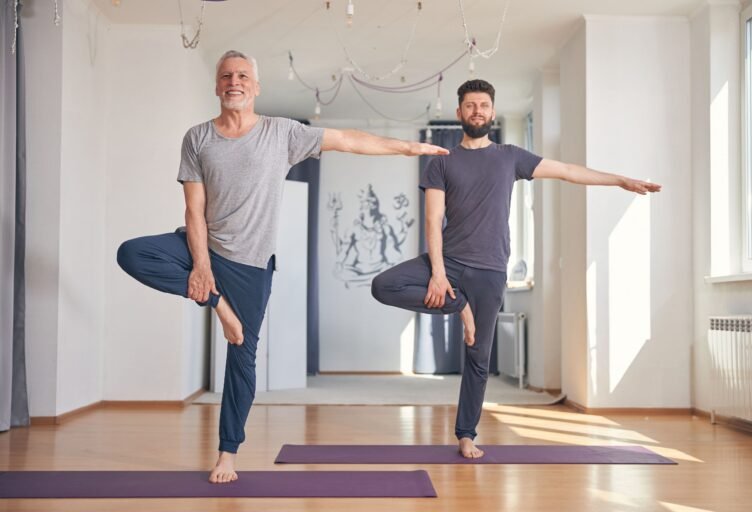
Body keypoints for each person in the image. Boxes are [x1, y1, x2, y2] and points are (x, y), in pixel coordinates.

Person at [116, 50, 448, 484]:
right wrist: (202, 273)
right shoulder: (197, 138)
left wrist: (408, 147)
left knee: (242, 358)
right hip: (203, 246)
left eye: (242, 76)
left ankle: (227, 454)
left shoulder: (281, 133)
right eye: (226, 76)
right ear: (217, 86)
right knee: (132, 253)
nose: (234, 81)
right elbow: (193, 210)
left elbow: (347, 139)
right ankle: (218, 304)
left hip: (251, 265)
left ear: (255, 87)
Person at [371, 79, 661, 459]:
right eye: (470, 105)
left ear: (492, 112)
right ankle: (460, 307)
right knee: (383, 285)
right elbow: (433, 220)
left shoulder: (510, 156)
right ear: (459, 113)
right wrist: (439, 276)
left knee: (478, 355)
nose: (477, 111)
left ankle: (466, 435)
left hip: (490, 270)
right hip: (450, 263)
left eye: (484, 105)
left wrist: (619, 180)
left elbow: (568, 171)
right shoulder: (442, 160)